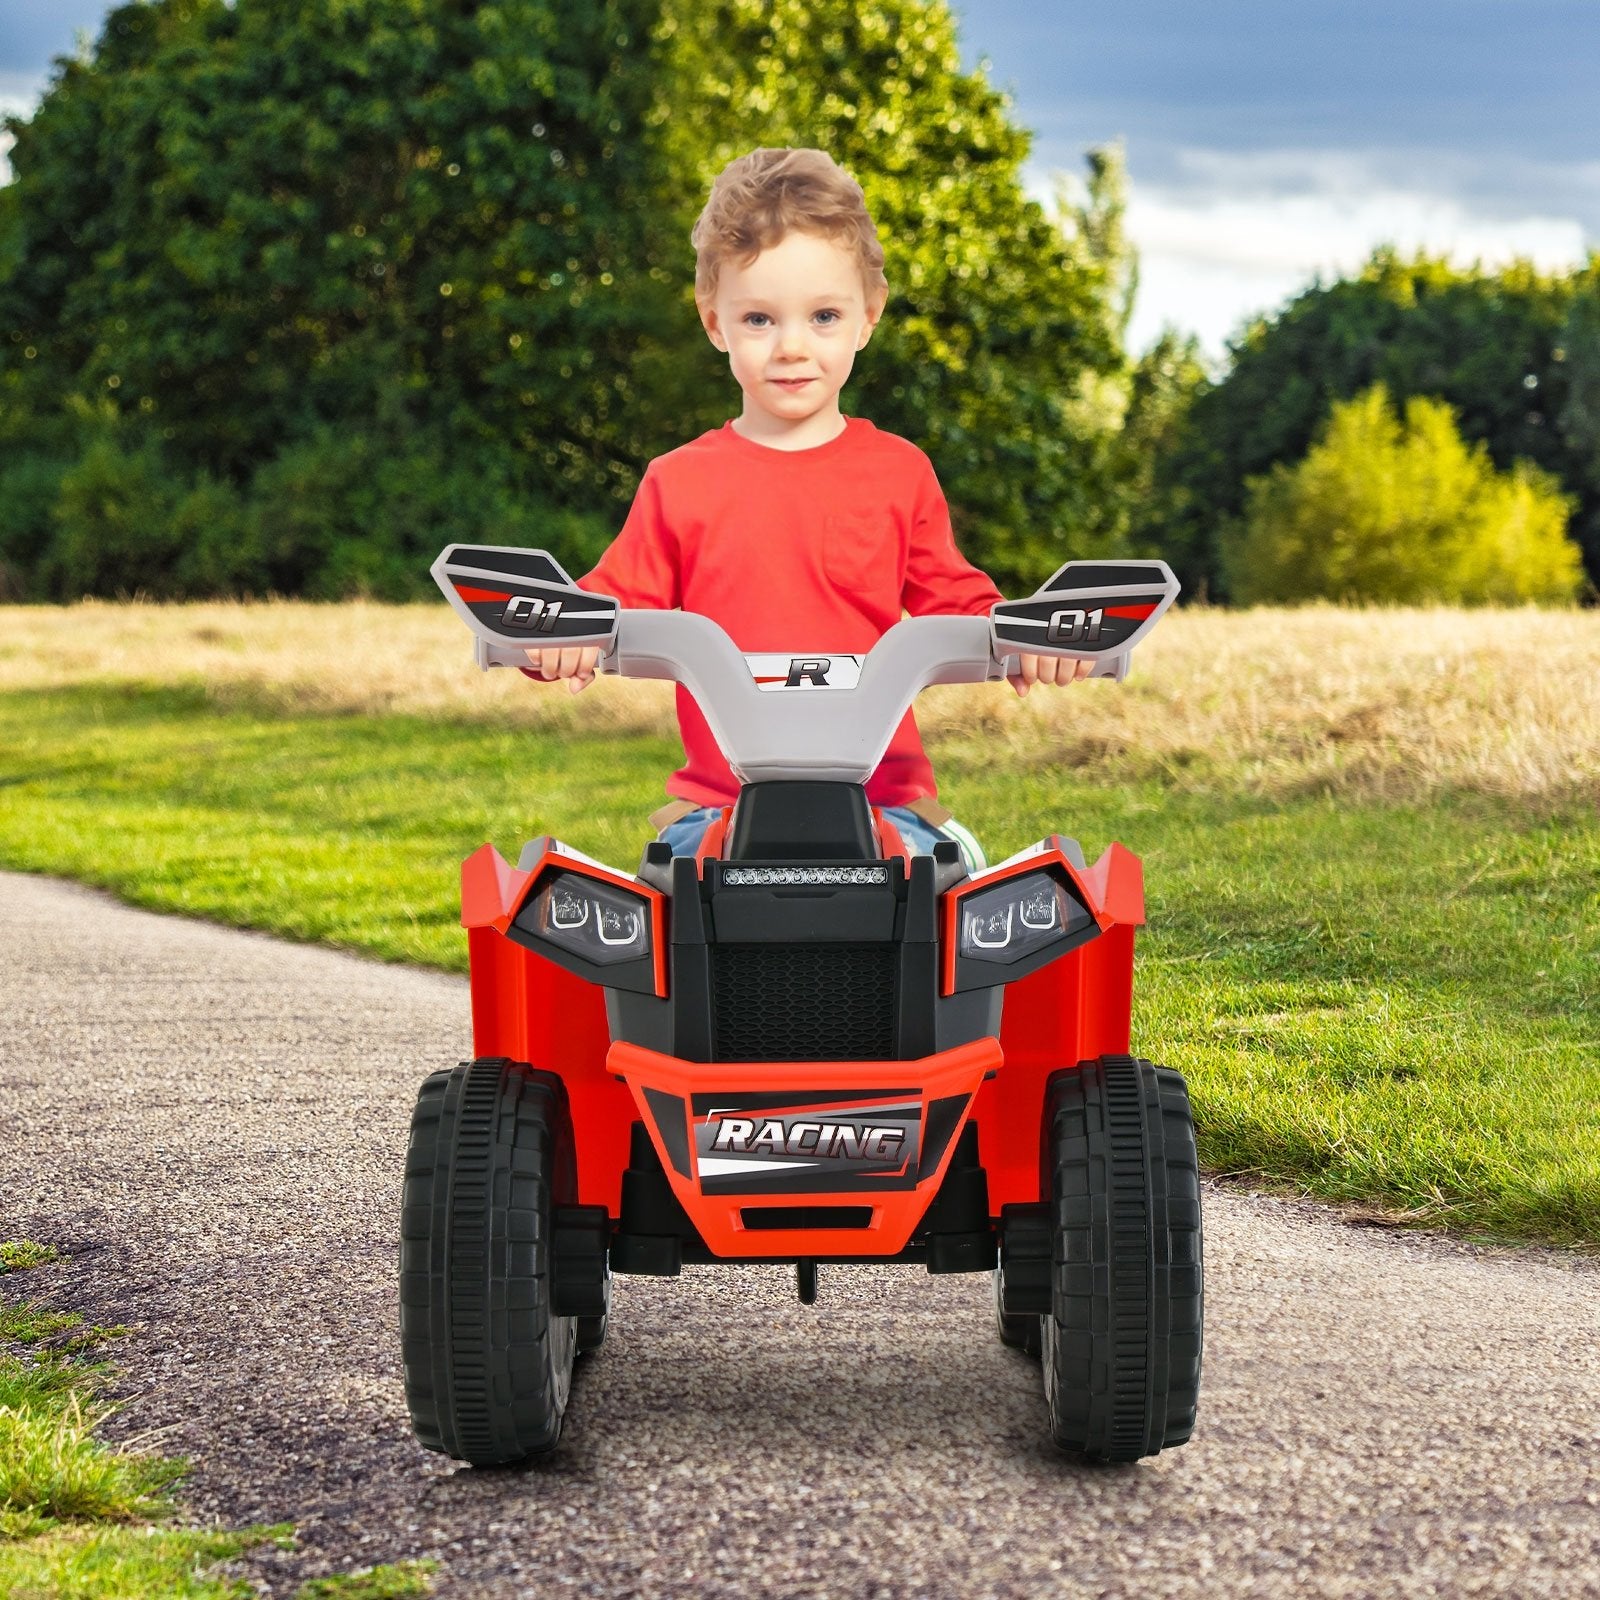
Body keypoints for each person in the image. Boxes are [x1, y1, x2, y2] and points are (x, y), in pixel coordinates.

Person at [525, 147, 1087, 865]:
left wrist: (1028, 645)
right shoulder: (678, 482)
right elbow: (609, 600)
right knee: (677, 899)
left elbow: (959, 601)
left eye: (823, 316)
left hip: (885, 805)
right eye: (759, 319)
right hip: (719, 810)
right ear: (714, 324)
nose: (792, 347)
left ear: (867, 318)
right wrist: (555, 641)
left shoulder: (898, 473)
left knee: (932, 898)